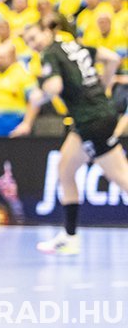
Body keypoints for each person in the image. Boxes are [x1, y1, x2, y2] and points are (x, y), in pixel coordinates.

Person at [20, 22, 128, 255]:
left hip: (92, 121)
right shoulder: (73, 46)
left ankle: (70, 237)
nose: (33, 44)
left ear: (47, 32)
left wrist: (39, 96)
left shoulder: (49, 54)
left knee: (122, 177)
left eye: (34, 37)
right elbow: (112, 58)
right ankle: (69, 237)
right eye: (28, 42)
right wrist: (103, 86)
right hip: (90, 119)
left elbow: (55, 86)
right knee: (65, 169)